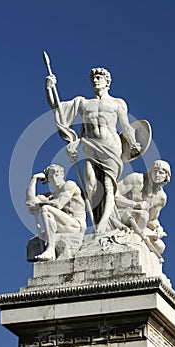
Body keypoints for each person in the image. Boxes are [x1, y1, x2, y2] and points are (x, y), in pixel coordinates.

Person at [45, 68, 141, 234]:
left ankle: (102, 226)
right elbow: (58, 108)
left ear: (107, 81)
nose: (96, 80)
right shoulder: (83, 103)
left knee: (108, 185)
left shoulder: (117, 103)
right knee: (91, 186)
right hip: (90, 146)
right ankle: (101, 223)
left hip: (111, 146)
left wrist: (133, 143)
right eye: (93, 78)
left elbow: (126, 126)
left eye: (99, 77)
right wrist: (49, 88)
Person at [26, 164, 86, 261]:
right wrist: (34, 179)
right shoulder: (51, 196)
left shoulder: (69, 185)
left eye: (57, 174)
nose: (54, 177)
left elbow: (58, 204)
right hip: (63, 226)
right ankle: (51, 252)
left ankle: (50, 249)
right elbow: (30, 202)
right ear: (47, 180)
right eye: (51, 176)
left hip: (76, 225)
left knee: (46, 208)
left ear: (62, 174)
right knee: (33, 243)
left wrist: (40, 204)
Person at [116, 160, 171, 254]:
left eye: (161, 172)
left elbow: (152, 219)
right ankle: (134, 237)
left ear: (166, 176)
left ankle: (137, 237)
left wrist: (158, 228)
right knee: (143, 215)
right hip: (120, 214)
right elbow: (113, 195)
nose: (157, 175)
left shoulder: (162, 198)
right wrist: (134, 204)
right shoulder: (136, 179)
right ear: (150, 171)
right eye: (155, 170)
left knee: (160, 247)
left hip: (141, 223)